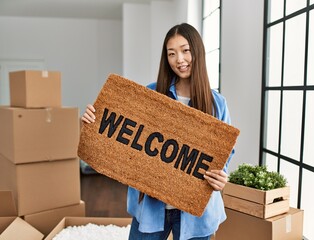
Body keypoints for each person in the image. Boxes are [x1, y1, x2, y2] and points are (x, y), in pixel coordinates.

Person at [82, 23, 235, 240]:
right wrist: (94, 122)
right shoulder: (152, 93)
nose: (179, 60)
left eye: (185, 51)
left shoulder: (217, 104)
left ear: (197, 51)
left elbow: (225, 156)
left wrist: (221, 178)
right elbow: (124, 133)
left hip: (196, 213)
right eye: (171, 54)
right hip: (152, 208)